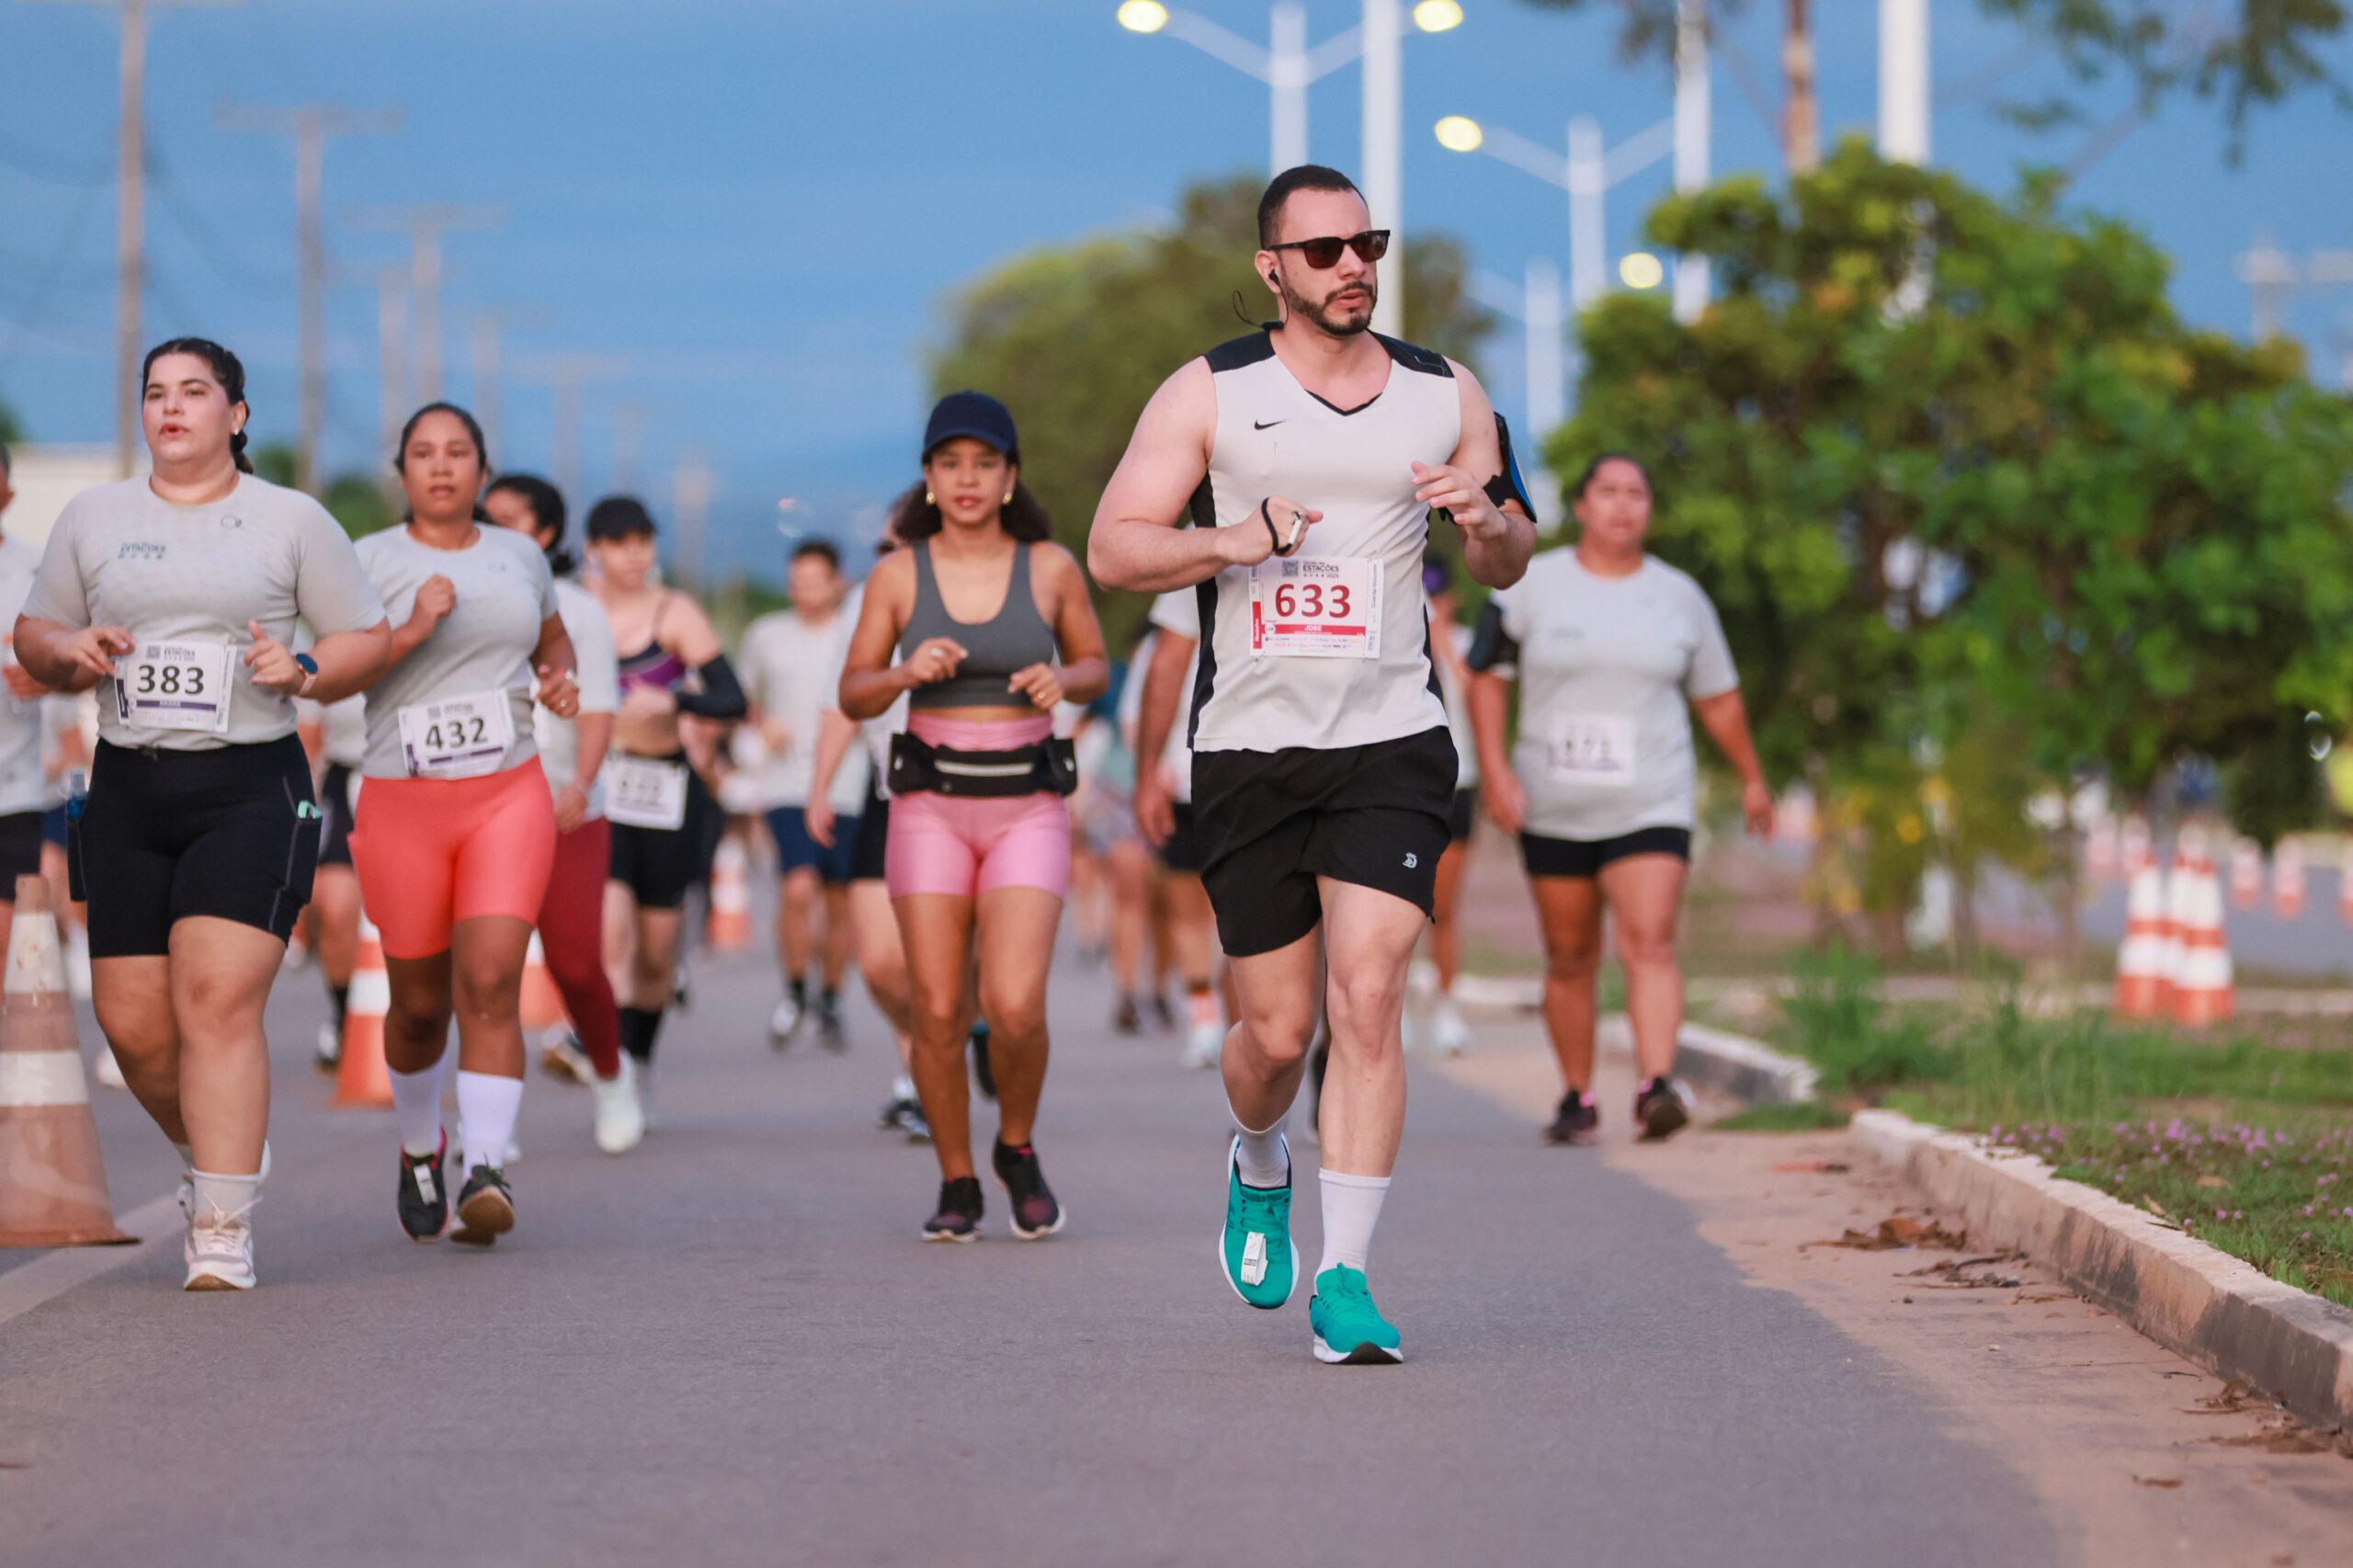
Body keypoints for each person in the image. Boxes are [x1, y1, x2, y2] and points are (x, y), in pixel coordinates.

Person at [1088, 166, 1535, 1362]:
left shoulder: (1446, 392)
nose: (1353, 267)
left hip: (1391, 738)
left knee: (1371, 992)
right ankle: (1255, 1153)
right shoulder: (1211, 393)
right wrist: (1233, 538)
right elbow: (1115, 547)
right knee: (1277, 1035)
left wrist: (1486, 522)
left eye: (1367, 243)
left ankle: (1347, 1275)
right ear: (1271, 269)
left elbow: (1510, 555)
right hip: (1251, 745)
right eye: (1325, 249)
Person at [15, 337, 392, 1289]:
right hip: (128, 787)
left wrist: (305, 669)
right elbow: (35, 631)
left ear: (238, 413)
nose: (171, 407)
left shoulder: (289, 519)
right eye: (155, 393)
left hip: (250, 785)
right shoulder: (94, 517)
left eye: (194, 391)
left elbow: (367, 637)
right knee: (136, 1028)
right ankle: (220, 1146)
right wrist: (72, 649)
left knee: (216, 998)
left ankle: (221, 1220)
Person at [838, 392, 1108, 1241]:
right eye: (949, 464)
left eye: (983, 464)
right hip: (930, 806)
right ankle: (957, 1178)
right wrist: (904, 672)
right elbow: (852, 692)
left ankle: (1016, 1146)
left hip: (1027, 801)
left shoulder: (1051, 567)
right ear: (927, 479)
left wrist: (1065, 680)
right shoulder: (896, 575)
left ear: (1009, 476)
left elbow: (1097, 662)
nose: (966, 479)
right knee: (938, 1009)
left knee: (1017, 1003)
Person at [1468, 451, 1771, 1144]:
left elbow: (1718, 698)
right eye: (1608, 492)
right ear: (1581, 506)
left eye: (1636, 493)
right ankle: (1578, 1097)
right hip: (1554, 802)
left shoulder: (1679, 597)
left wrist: (1752, 774)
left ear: (1649, 510)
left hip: (1651, 798)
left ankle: (1655, 1084)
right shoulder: (1529, 585)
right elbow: (1484, 674)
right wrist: (1494, 768)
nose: (1623, 505)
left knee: (1650, 941)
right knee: (1570, 956)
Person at [351, 403, 578, 1246]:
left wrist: (559, 683)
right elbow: (331, 675)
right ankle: (421, 1148)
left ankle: (487, 1168)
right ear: (402, 472)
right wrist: (412, 626)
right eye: (423, 454)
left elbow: (554, 644)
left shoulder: (521, 555)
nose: (441, 467)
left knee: (490, 981)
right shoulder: (367, 561)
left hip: (505, 792)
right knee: (416, 1007)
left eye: (458, 453)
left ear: (483, 470)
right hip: (402, 797)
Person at [484, 472, 642, 1155]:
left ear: (545, 534)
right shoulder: (457, 602)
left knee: (577, 964)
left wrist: (582, 780)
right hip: (482, 804)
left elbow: (600, 704)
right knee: (486, 968)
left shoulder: (577, 610)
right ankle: (491, 1120)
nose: (493, 530)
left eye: (511, 519)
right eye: (485, 518)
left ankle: (612, 1076)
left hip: (565, 807)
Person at [585, 496, 746, 1119]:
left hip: (665, 791)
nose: (636, 555)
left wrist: (677, 704)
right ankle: (614, 1075)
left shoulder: (675, 613)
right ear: (595, 547)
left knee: (656, 954)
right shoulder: (577, 611)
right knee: (610, 933)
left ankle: (640, 1061)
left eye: (645, 542)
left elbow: (731, 697)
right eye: (621, 542)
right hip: (602, 788)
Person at [809, 526, 926, 1139]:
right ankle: (926, 1060)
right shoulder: (869, 601)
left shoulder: (998, 583)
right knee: (881, 962)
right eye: (881, 548)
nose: (888, 557)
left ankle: (931, 1074)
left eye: (899, 545)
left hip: (984, 796)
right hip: (891, 792)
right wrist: (821, 784)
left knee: (960, 958)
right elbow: (842, 701)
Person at [741, 539, 866, 1048]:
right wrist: (762, 723)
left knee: (840, 900)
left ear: (838, 582)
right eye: (797, 584)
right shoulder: (767, 635)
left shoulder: (857, 633)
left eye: (816, 583)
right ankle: (794, 990)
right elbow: (745, 694)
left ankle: (831, 996)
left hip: (849, 784)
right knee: (797, 886)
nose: (806, 594)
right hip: (786, 782)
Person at [1128, 589, 1230, 1071]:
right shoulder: (1160, 648)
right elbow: (1138, 713)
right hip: (1184, 783)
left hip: (1247, 782)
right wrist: (1149, 774)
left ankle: (1241, 1022)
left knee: (1244, 915)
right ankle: (1204, 1018)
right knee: (1188, 908)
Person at [1415, 551, 1479, 1057]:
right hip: (1404, 787)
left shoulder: (1463, 645)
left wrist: (1442, 648)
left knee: (1444, 907)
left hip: (1458, 784)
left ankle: (1446, 1005)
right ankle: (1393, 1009)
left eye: (1438, 596)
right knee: (1393, 906)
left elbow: (1480, 701)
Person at [0, 438, 55, 957]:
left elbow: (70, 656)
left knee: (6, 931)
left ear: (8, 493)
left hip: (14, 785)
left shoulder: (37, 573)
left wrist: (48, 677)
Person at [293, 693, 365, 1072]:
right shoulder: (326, 637)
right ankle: (344, 1015)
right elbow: (307, 736)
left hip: (414, 776)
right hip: (346, 778)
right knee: (334, 906)